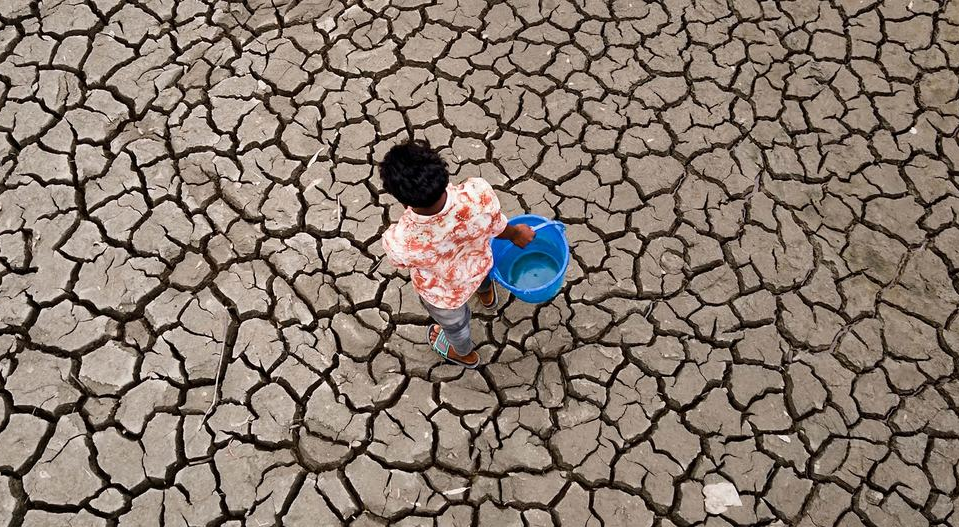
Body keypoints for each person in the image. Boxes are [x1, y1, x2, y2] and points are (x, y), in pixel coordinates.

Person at [379, 140, 535, 368]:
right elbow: (497, 227)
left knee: (456, 326)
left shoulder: (400, 241)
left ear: (402, 200)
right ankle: (486, 296)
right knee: (482, 276)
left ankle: (464, 354)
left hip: (445, 295)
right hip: (480, 264)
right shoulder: (478, 194)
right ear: (444, 172)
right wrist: (515, 234)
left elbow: (400, 262)